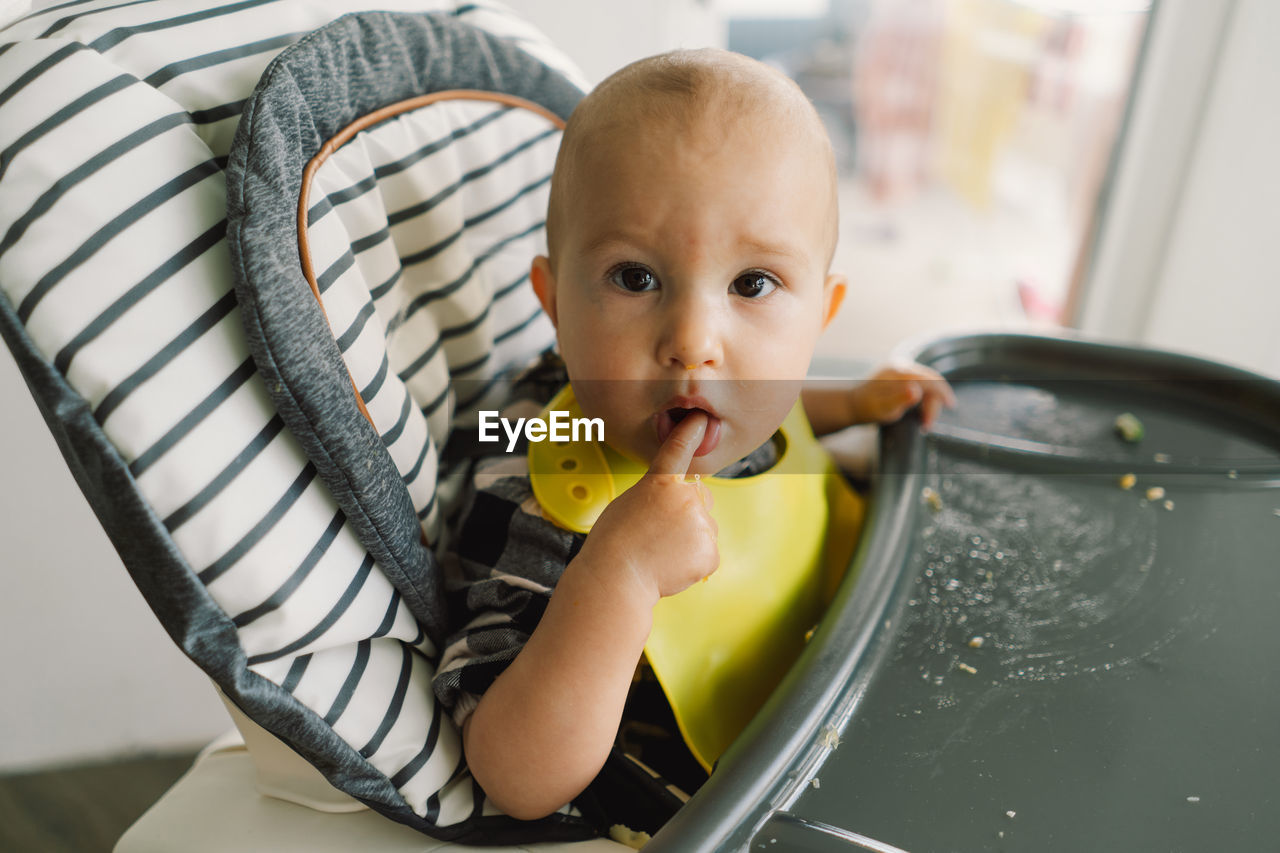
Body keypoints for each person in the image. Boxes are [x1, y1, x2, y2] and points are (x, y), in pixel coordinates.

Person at [432, 48, 954, 828]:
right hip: (727, 797)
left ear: (821, 313)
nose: (693, 342)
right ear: (553, 300)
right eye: (635, 278)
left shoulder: (737, 399)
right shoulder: (537, 486)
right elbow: (515, 771)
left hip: (848, 677)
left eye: (753, 285)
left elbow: (780, 428)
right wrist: (619, 575)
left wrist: (851, 404)